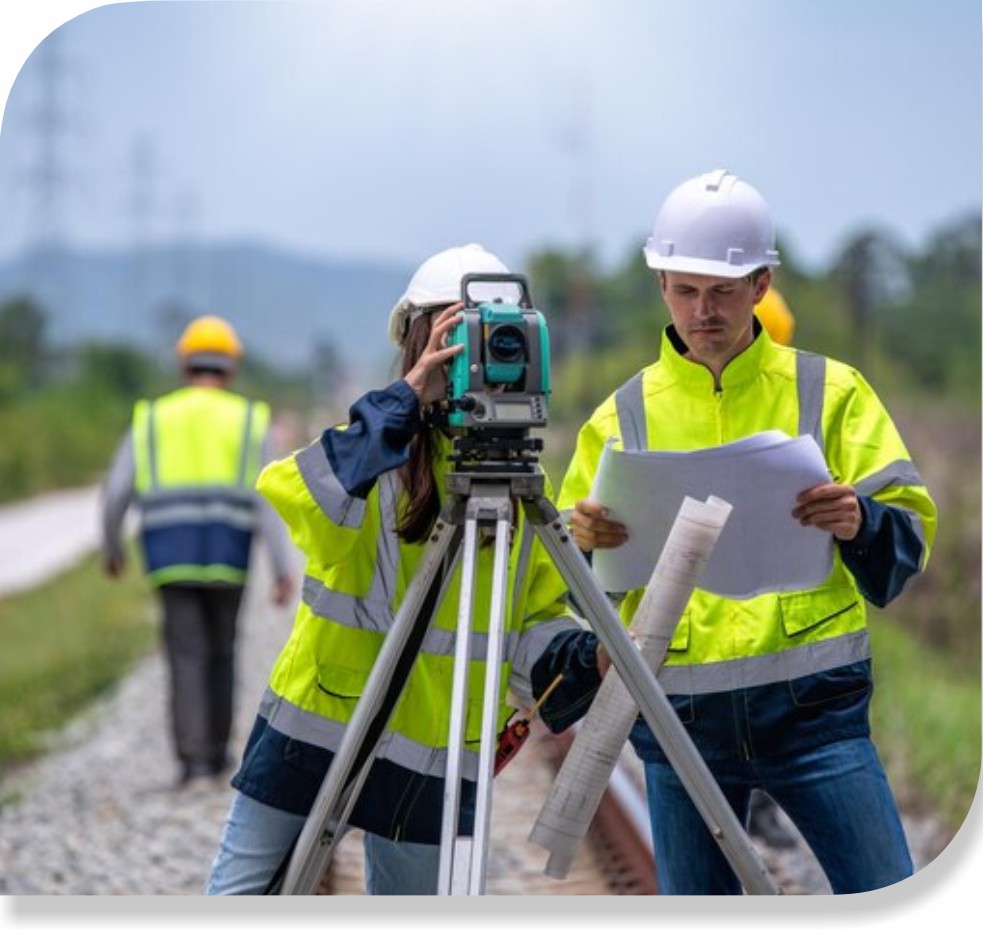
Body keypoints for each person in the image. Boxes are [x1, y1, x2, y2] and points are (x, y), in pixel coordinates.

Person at [559, 169, 937, 895]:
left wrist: (860, 520)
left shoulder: (831, 391)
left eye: (724, 291)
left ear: (761, 285)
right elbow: (565, 587)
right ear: (662, 283)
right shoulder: (620, 416)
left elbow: (910, 535)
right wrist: (584, 542)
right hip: (680, 724)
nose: (704, 310)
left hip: (815, 717)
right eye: (686, 290)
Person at [205, 244, 605, 895]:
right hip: (316, 732)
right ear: (420, 339)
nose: (478, 353)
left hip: (434, 758)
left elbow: (528, 624)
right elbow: (297, 499)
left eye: (495, 335)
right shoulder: (372, 454)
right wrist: (400, 403)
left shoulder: (524, 488)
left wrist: (586, 658)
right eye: (459, 332)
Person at [101, 314, 296, 787]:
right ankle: (217, 755)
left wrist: (112, 547)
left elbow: (116, 492)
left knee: (185, 652)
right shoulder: (251, 419)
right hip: (229, 552)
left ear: (185, 364)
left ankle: (191, 762)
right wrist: (282, 565)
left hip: (168, 554)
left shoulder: (151, 417)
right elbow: (270, 499)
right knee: (223, 649)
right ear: (230, 367)